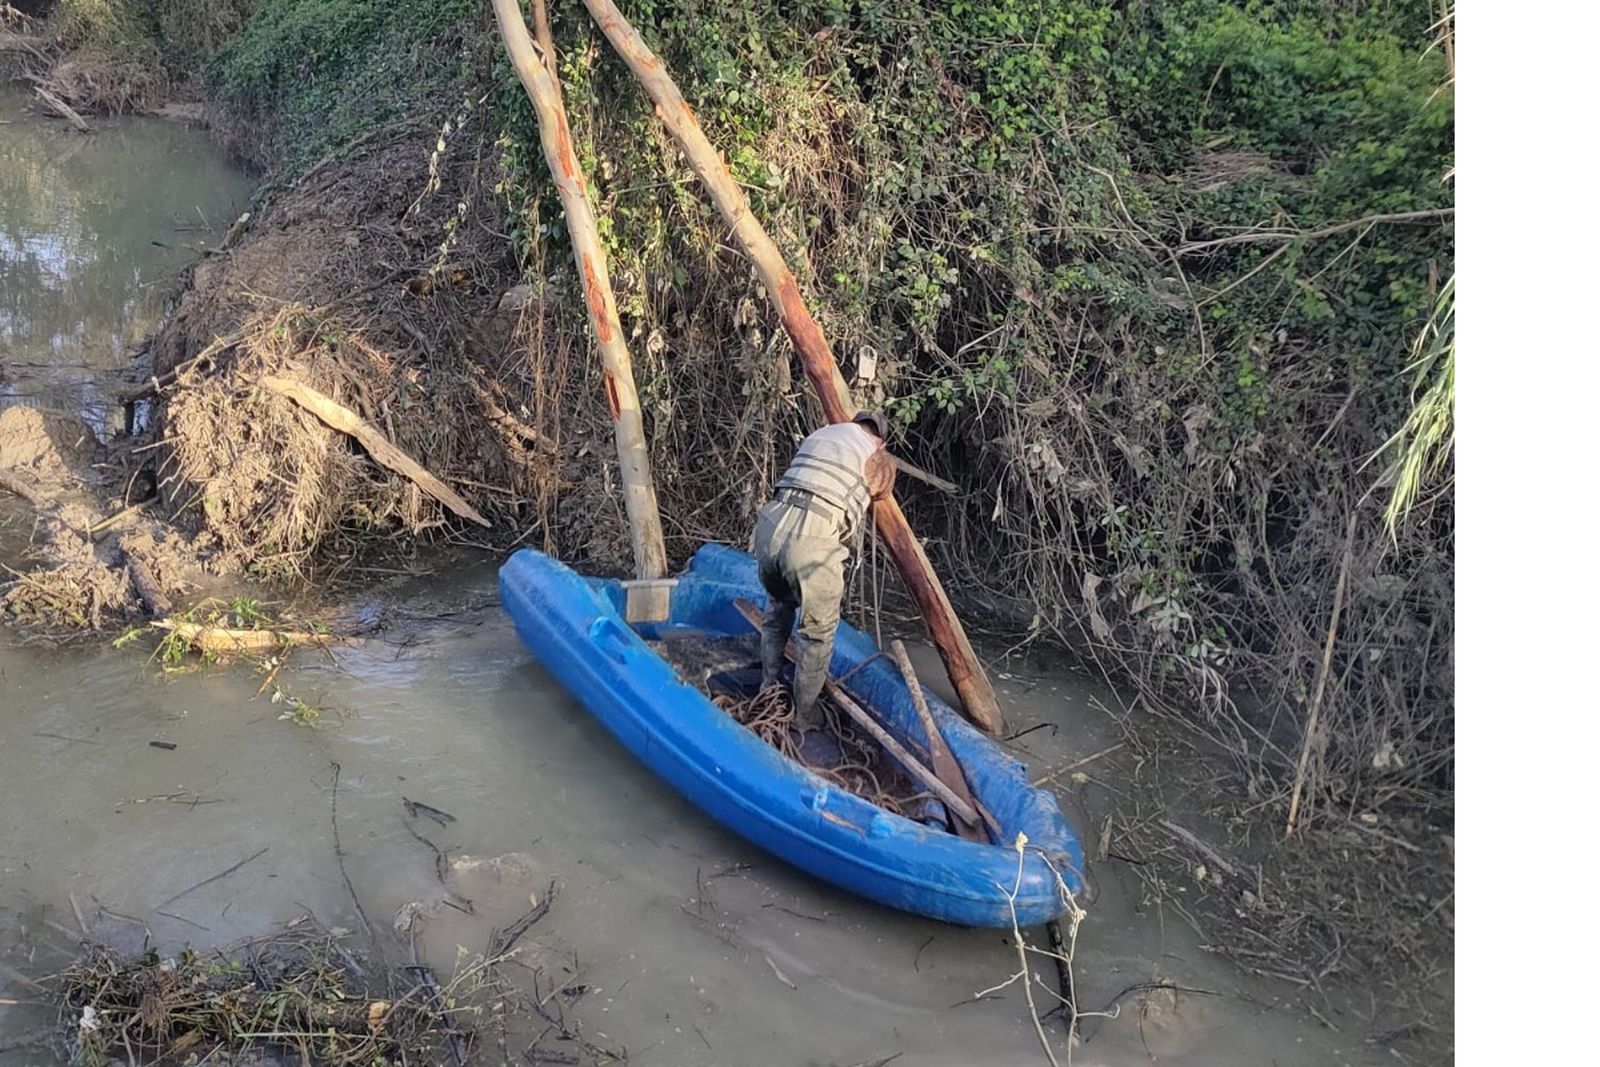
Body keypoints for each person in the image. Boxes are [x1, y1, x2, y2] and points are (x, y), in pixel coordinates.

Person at [754, 411, 897, 723]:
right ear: (880, 440)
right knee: (817, 634)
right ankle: (804, 716)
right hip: (813, 536)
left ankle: (768, 688)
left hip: (769, 525)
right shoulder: (877, 455)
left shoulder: (822, 434)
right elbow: (881, 489)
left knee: (778, 610)